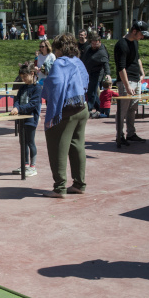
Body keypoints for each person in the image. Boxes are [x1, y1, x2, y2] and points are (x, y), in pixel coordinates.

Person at [41, 33, 89, 198]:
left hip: (66, 112)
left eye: (55, 49)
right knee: (77, 146)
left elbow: (56, 84)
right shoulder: (78, 61)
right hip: (82, 108)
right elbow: (86, 80)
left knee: (57, 148)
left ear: (60, 48)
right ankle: (79, 184)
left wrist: (46, 91)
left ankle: (59, 187)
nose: (54, 52)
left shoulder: (60, 63)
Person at [114, 20, 149, 147]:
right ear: (134, 31)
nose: (143, 37)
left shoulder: (135, 42)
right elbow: (121, 68)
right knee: (122, 110)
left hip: (136, 79)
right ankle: (120, 135)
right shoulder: (121, 45)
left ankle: (131, 133)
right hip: (126, 81)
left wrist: (142, 73)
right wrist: (127, 86)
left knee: (133, 108)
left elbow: (137, 58)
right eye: (141, 34)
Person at [10, 63, 42, 177]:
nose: (23, 79)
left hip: (31, 119)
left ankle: (33, 167)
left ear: (32, 74)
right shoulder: (22, 87)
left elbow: (33, 104)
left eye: (24, 77)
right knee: (22, 141)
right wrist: (16, 107)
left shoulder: (37, 88)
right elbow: (17, 100)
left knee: (30, 142)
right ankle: (25, 164)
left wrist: (19, 109)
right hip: (21, 119)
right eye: (21, 77)